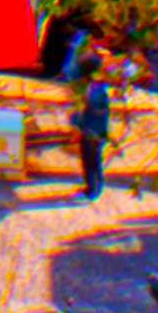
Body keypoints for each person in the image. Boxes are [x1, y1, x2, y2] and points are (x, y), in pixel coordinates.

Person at [64, 30, 119, 199]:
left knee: (91, 160)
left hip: (92, 131)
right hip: (95, 129)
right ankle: (94, 188)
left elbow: (71, 72)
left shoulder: (95, 90)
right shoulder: (97, 88)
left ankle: (92, 191)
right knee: (93, 160)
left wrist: (77, 123)